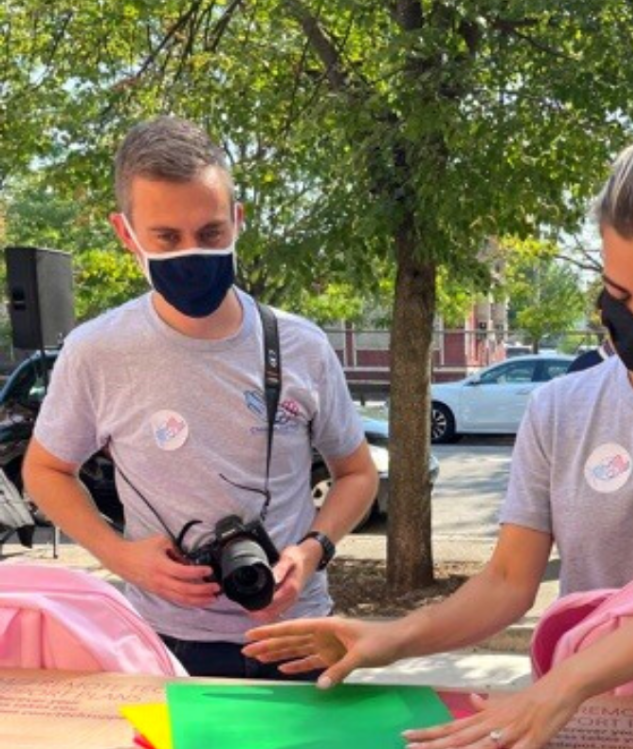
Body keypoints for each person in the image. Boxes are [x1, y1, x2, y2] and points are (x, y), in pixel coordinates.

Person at [244, 127, 633, 749]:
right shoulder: (561, 407)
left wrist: (561, 686)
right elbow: (507, 580)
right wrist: (391, 639)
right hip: (582, 720)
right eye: (618, 295)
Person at [24, 116, 378, 679]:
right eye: (166, 237)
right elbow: (45, 470)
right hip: (161, 643)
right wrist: (121, 557)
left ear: (237, 222)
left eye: (211, 233)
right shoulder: (96, 351)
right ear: (126, 234)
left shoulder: (302, 345)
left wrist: (314, 550)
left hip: (297, 635)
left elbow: (358, 474)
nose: (192, 252)